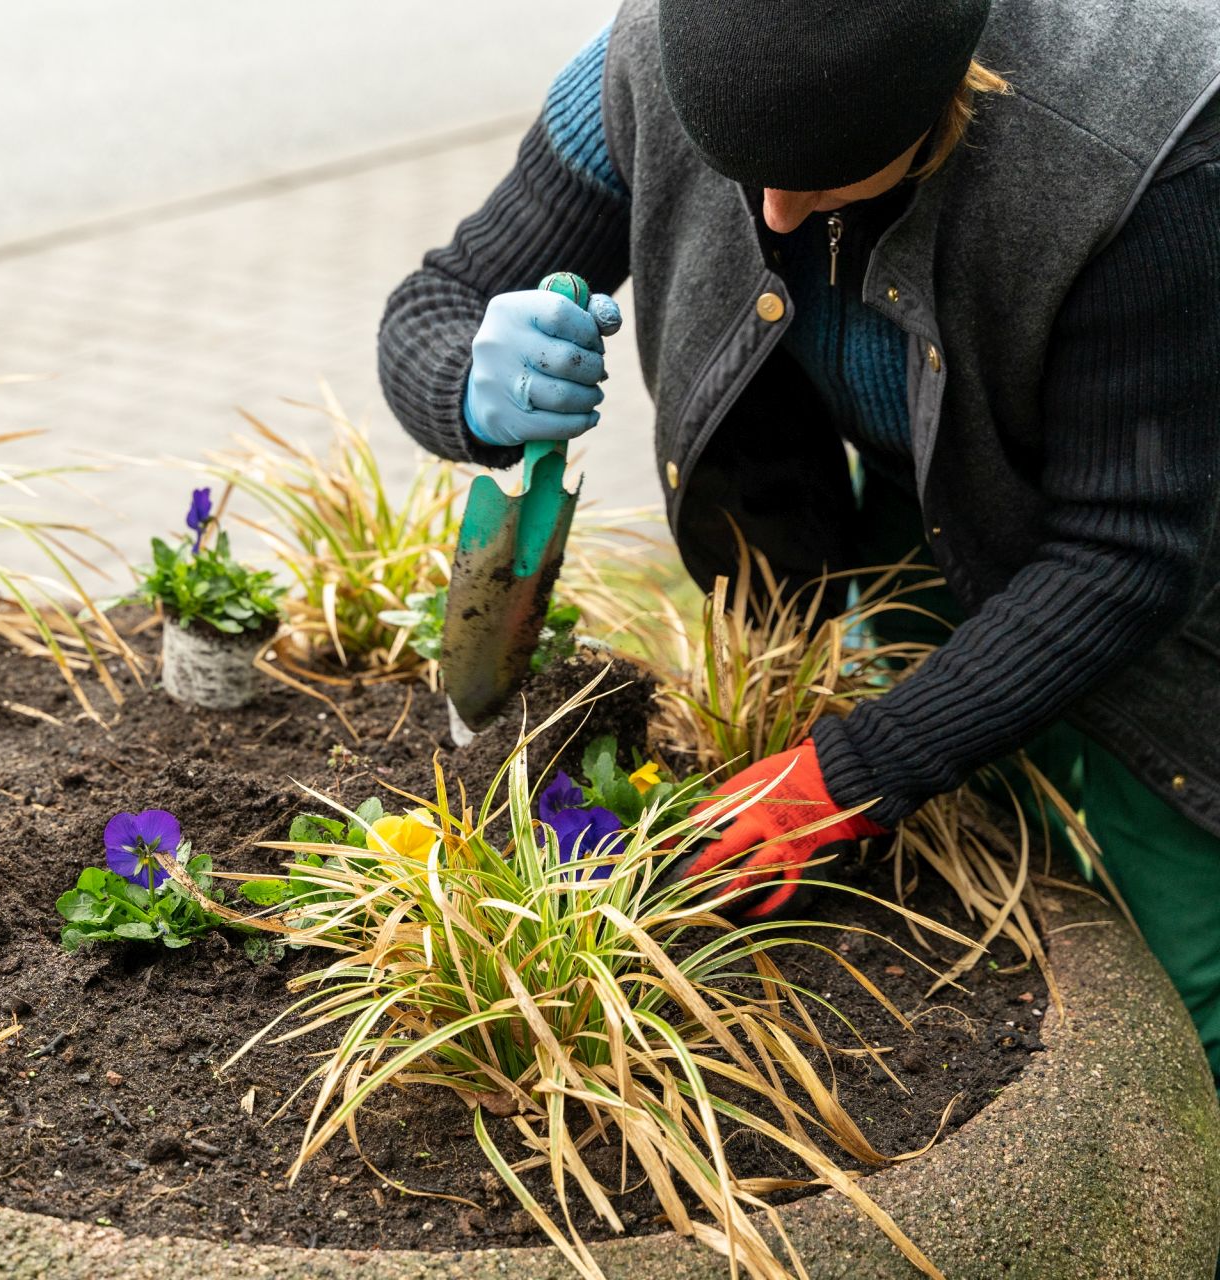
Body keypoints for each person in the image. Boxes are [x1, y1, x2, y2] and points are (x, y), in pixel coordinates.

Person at [378, 0, 1220, 1093]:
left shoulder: (1149, 144)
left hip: (1177, 573)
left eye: (826, 179)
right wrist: (468, 388)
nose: (774, 215)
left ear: (952, 98)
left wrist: (852, 773)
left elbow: (1128, 549)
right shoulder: (659, 57)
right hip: (933, 489)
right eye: (745, 175)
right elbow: (435, 301)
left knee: (1187, 995)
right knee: (984, 917)